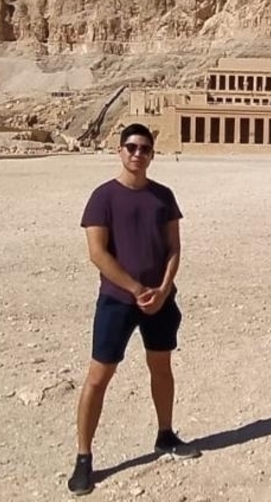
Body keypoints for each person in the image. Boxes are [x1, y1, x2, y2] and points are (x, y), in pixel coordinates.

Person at [68, 124, 199, 496]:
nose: (137, 154)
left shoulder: (163, 196)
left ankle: (165, 434)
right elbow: (97, 252)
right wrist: (137, 288)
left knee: (161, 368)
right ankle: (84, 456)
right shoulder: (103, 197)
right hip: (118, 300)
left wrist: (162, 288)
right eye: (131, 147)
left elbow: (174, 247)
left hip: (161, 299)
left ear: (152, 154)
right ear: (120, 151)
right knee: (98, 376)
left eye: (144, 149)